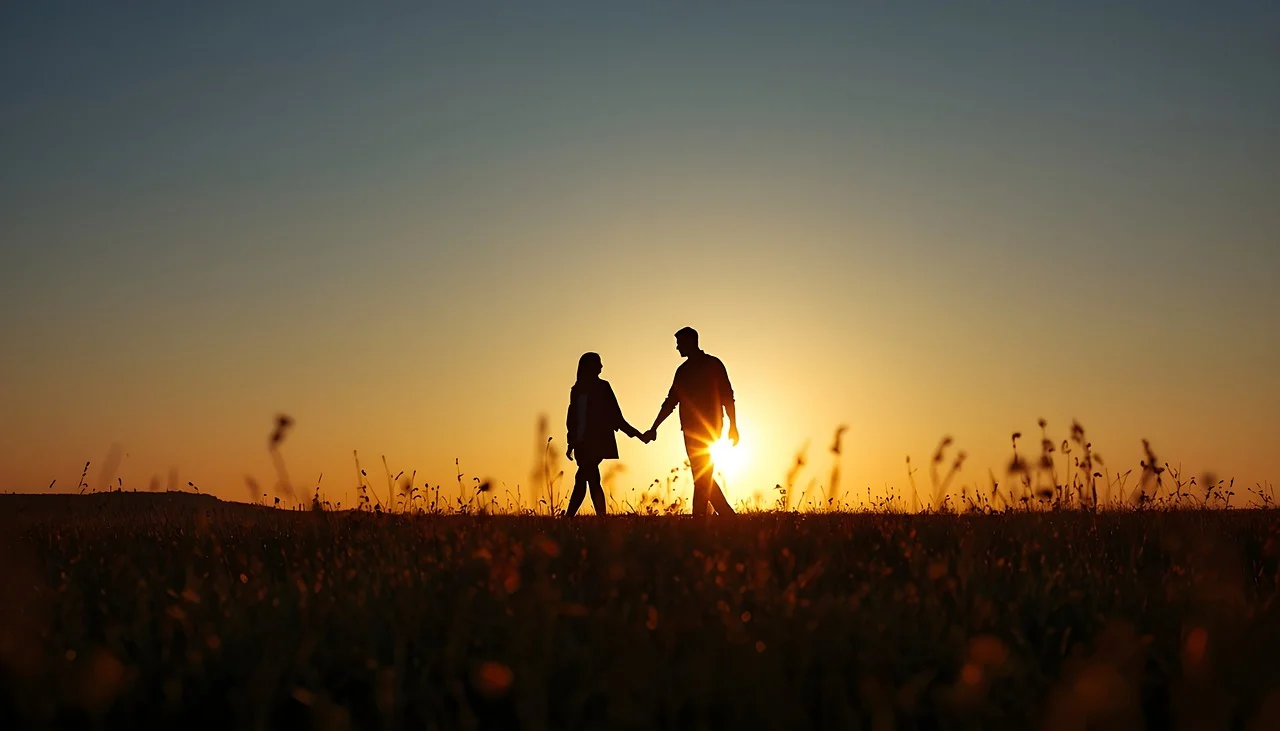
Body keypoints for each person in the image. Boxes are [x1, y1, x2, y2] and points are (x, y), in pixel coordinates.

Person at [643, 327, 738, 517]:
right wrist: (654, 427)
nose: (677, 348)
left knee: (702, 474)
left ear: (691, 342)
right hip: (689, 429)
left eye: (680, 343)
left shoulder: (713, 364)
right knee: (701, 474)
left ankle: (704, 518)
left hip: (711, 427)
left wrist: (733, 426)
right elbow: (671, 401)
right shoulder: (683, 371)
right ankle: (723, 517)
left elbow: (728, 395)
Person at [565, 352, 643, 517]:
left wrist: (635, 433)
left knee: (584, 476)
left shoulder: (603, 387)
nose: (601, 366)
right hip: (580, 442)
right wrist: (570, 442)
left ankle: (570, 517)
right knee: (589, 478)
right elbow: (572, 417)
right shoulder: (576, 390)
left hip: (596, 441)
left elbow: (615, 415)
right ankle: (598, 518)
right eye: (598, 363)